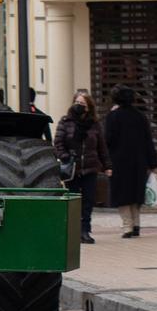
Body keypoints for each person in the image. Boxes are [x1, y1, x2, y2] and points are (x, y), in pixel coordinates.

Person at [102, 85, 157, 239]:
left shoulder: (112, 117)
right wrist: (153, 163)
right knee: (136, 192)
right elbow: (148, 140)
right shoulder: (140, 116)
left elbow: (108, 140)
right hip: (139, 161)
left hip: (119, 161)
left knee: (122, 193)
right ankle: (137, 223)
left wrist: (105, 162)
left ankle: (127, 226)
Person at [53, 88, 106, 245]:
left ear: (88, 106)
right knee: (74, 199)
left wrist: (107, 165)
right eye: (76, 102)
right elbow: (58, 143)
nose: (79, 105)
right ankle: (74, 231)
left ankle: (85, 231)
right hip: (72, 169)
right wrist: (65, 157)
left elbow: (101, 146)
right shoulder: (65, 122)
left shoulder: (94, 125)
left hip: (90, 167)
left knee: (88, 201)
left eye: (82, 103)